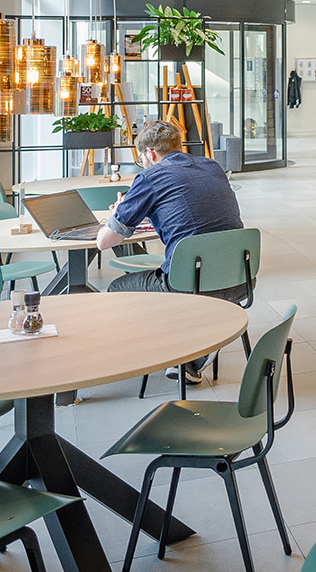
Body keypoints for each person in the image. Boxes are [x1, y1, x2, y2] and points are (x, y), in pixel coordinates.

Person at [98, 119, 248, 379]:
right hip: (239, 278)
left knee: (116, 289)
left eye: (141, 160)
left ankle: (159, 355)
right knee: (178, 268)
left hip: (190, 282)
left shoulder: (150, 177)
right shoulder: (212, 166)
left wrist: (120, 211)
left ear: (150, 153)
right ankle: (189, 355)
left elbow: (104, 242)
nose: (143, 165)